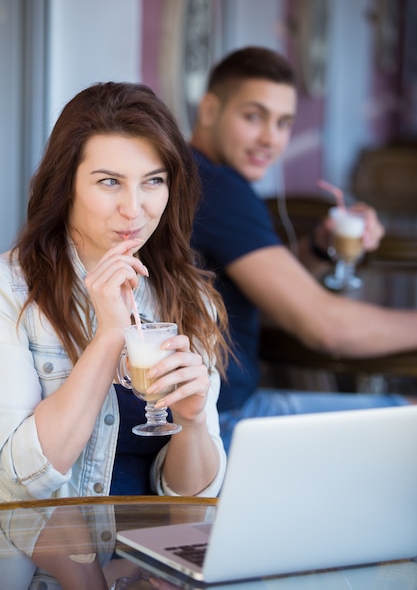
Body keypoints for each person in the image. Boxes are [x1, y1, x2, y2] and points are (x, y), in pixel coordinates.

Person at [0, 81, 230, 501]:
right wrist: (109, 335)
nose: (134, 208)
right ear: (66, 184)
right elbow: (20, 479)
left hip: (153, 555)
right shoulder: (12, 291)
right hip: (49, 560)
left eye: (153, 181)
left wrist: (193, 422)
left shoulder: (189, 295)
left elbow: (192, 501)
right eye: (109, 182)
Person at [190, 46, 417, 453]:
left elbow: (265, 296)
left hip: (217, 416)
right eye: (253, 116)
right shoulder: (219, 189)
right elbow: (326, 327)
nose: (270, 139)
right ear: (209, 110)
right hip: (221, 429)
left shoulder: (195, 173)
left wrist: (318, 247)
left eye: (283, 123)